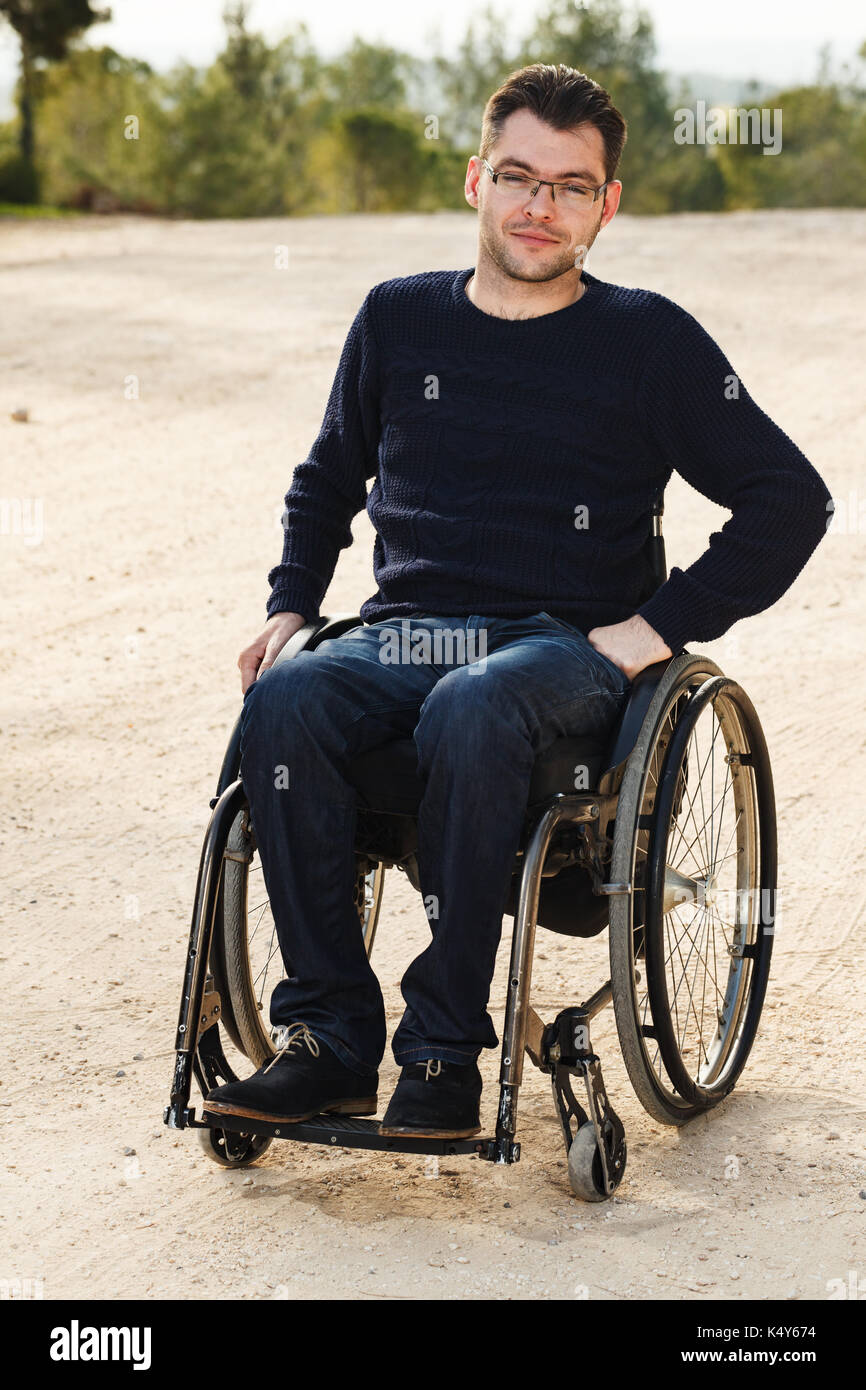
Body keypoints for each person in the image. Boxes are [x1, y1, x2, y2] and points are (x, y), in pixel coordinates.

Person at [203, 62, 831, 1139]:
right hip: (408, 632)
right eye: (517, 176)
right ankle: (330, 1041)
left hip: (560, 649)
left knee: (476, 703)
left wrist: (654, 628)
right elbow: (326, 476)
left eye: (569, 185)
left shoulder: (647, 340)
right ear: (474, 182)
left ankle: (443, 1055)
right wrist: (289, 602)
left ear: (606, 205)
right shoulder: (397, 321)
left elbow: (790, 499)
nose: (539, 205)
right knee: (285, 699)